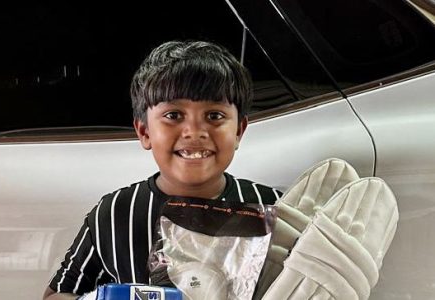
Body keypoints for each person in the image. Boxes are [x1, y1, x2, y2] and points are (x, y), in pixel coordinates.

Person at [43, 40, 283, 300]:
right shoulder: (116, 213)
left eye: (214, 116)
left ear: (238, 131)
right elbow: (57, 293)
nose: (194, 132)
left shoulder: (272, 208)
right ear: (145, 131)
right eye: (174, 115)